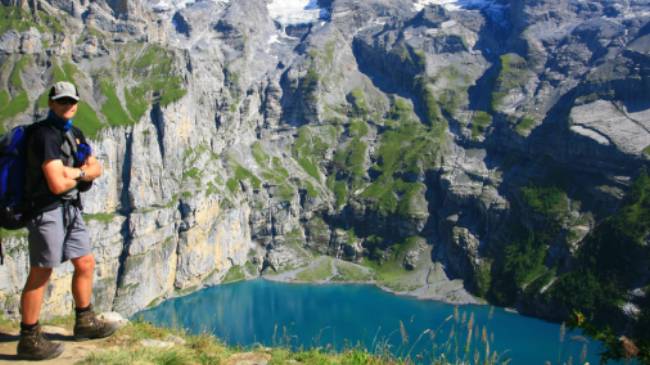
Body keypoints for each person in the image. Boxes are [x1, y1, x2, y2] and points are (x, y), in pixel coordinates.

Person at [17, 81, 117, 360]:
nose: (68, 105)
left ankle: (84, 322)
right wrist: (81, 173)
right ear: (51, 103)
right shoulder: (44, 135)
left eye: (72, 101)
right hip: (46, 210)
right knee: (42, 271)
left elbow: (96, 167)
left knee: (85, 262)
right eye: (61, 101)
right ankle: (29, 337)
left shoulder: (75, 132)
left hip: (71, 208)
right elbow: (56, 183)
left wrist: (75, 173)